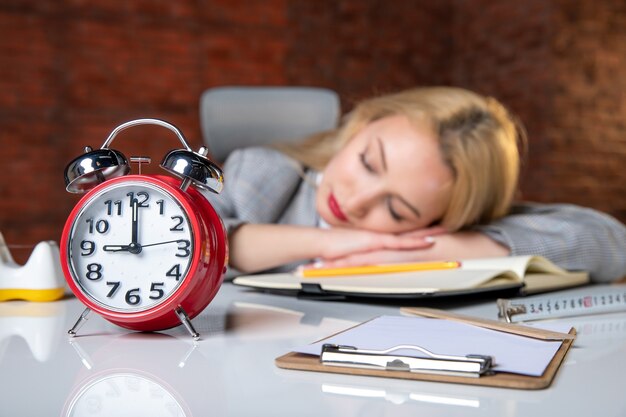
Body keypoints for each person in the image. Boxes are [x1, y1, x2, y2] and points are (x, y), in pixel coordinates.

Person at [203, 86, 626, 283]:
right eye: (369, 162)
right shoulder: (261, 171)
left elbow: (611, 243)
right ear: (363, 123)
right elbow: (195, 241)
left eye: (398, 211)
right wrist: (331, 243)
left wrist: (435, 251)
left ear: (442, 219)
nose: (356, 202)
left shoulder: (436, 231)